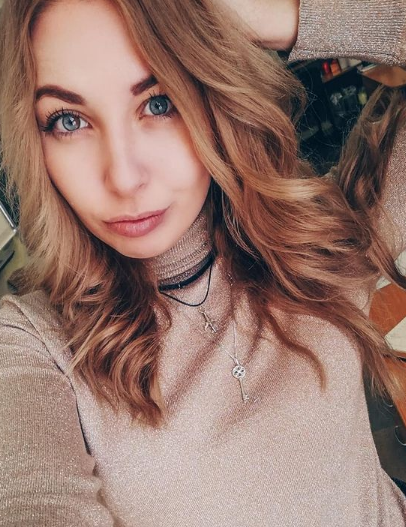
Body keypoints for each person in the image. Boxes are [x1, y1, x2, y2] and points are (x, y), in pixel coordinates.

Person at [0, 0, 405, 525]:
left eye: (160, 102)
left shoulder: (321, 248)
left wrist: (270, 15)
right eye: (68, 120)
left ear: (214, 96)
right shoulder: (37, 348)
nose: (124, 177)